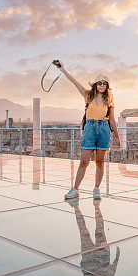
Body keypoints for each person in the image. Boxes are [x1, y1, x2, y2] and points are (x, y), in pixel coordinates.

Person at [55, 62, 120, 200]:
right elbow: (75, 82)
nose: (102, 85)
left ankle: (96, 189)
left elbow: (112, 120)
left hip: (104, 129)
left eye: (104, 83)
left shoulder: (109, 100)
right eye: (99, 83)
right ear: (95, 84)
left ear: (107, 86)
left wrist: (118, 137)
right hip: (90, 129)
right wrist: (63, 70)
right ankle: (75, 189)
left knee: (100, 162)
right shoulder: (88, 95)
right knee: (84, 161)